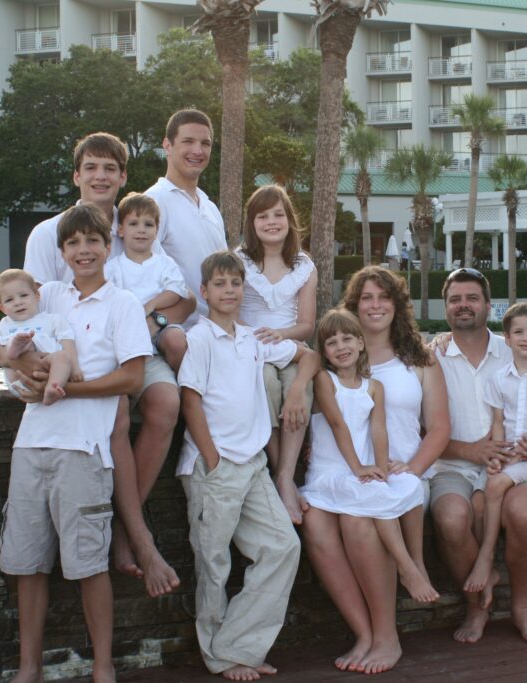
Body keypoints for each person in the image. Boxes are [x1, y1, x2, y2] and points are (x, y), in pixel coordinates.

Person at [19, 131, 184, 596]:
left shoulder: (138, 226)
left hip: (131, 349)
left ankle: (125, 529)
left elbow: (180, 297)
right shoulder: (52, 232)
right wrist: (49, 365)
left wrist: (150, 321)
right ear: (76, 175)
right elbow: (34, 308)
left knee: (166, 402)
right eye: (90, 167)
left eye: (110, 168)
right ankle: (137, 537)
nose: (100, 176)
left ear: (123, 176)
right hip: (74, 359)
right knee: (115, 412)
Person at [0, 203, 151, 683]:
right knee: (27, 564)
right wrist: (22, 369)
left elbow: (132, 377)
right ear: (62, 252)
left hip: (85, 449)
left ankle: (103, 670)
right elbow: (3, 341)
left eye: (92, 241)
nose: (83, 251)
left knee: (88, 565)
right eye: (73, 243)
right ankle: (29, 670)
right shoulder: (48, 298)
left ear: (109, 246)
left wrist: (66, 389)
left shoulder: (122, 304)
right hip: (31, 445)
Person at [177, 250, 318, 681]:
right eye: (219, 284)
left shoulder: (252, 338)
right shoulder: (198, 338)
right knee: (214, 564)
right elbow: (190, 399)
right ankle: (219, 657)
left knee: (282, 548)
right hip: (214, 467)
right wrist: (213, 458)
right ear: (205, 292)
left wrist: (296, 392)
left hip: (254, 465)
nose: (229, 290)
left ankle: (238, 645)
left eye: (235, 283)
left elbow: (308, 356)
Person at [301, 266, 449, 675]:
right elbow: (308, 374)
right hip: (350, 472)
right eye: (366, 297)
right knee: (314, 525)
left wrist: (412, 470)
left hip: (402, 473)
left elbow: (439, 429)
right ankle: (363, 633)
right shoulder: (336, 354)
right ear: (353, 305)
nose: (375, 305)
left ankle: (388, 636)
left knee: (358, 523)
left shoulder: (419, 358)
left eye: (384, 297)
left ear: (397, 304)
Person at [430, 267, 527, 645]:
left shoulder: (518, 347)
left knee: (522, 512)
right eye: (455, 299)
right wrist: (472, 450)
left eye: (472, 298)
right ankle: (477, 608)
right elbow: (421, 433)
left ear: (489, 306)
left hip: (516, 464)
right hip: (454, 465)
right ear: (445, 307)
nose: (463, 305)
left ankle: (522, 609)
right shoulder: (431, 356)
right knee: (451, 516)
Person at [301, 308, 438, 603]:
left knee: (410, 484)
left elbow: (379, 430)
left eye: (347, 339)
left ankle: (416, 561)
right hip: (333, 473)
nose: (341, 347)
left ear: (361, 343)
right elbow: (338, 424)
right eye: (332, 342)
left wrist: (380, 467)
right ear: (323, 351)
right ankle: (406, 568)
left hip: (361, 469)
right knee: (377, 494)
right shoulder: (325, 380)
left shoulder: (374, 387)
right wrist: (359, 467)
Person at [463, 303, 527, 601]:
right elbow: (498, 422)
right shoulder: (499, 379)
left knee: (494, 485)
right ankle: (487, 560)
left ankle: (485, 560)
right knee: (479, 501)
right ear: (506, 338)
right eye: (518, 332)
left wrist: (522, 450)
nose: (526, 337)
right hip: (508, 458)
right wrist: (496, 456)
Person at [237, 185, 317, 525]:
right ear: (252, 222)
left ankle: (286, 476)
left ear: (289, 220)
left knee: (300, 386)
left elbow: (307, 324)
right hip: (249, 343)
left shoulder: (303, 265)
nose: (272, 222)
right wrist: (257, 337)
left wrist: (281, 335)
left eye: (278, 215)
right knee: (266, 383)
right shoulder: (238, 260)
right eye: (263, 216)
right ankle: (278, 467)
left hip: (290, 343)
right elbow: (231, 312)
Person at [145, 109, 227, 326]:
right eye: (188, 141)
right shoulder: (153, 203)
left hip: (215, 335)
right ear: (167, 145)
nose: (197, 151)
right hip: (175, 338)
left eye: (205, 143)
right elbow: (144, 275)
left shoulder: (210, 207)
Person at [0, 269, 81, 406]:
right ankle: (18, 347)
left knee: (63, 356)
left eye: (23, 295)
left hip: (48, 368)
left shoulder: (52, 320)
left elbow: (68, 342)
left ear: (37, 296)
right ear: (2, 308)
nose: (18, 302)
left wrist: (75, 369)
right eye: (9, 300)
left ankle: (52, 388)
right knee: (20, 342)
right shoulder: (3, 325)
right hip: (18, 378)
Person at [105, 192, 189, 371]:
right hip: (124, 332)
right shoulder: (112, 267)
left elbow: (176, 290)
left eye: (148, 224)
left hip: (159, 328)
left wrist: (152, 305)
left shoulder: (164, 263)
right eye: (133, 224)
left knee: (176, 339)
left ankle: (182, 381)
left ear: (156, 230)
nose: (141, 230)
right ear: (120, 230)